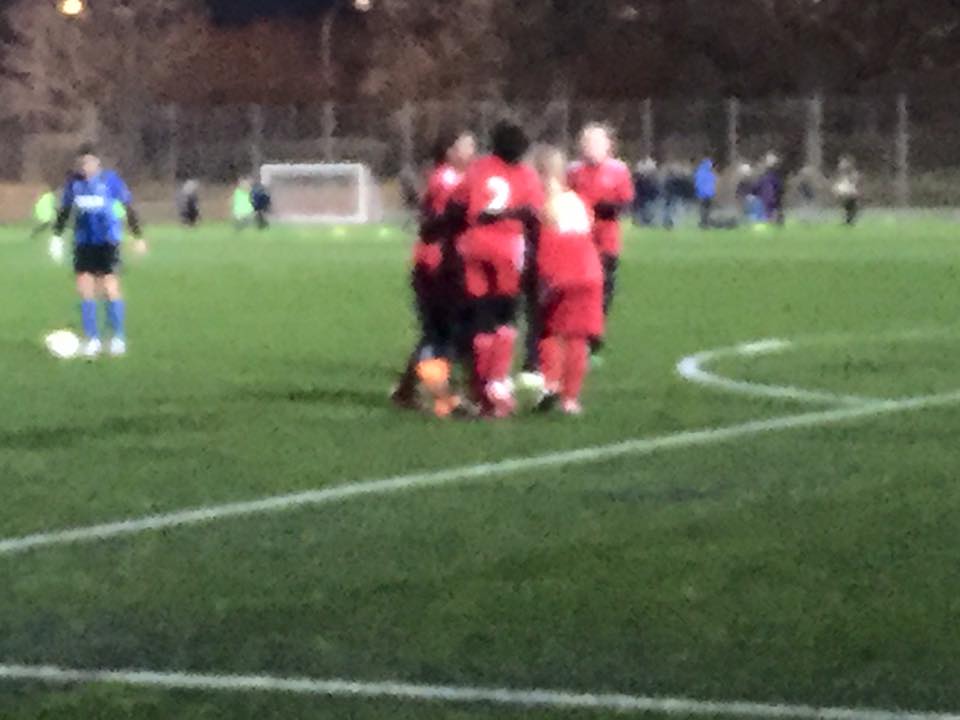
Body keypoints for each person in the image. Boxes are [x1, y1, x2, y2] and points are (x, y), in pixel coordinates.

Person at [452, 120, 544, 418]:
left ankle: (480, 390)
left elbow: (459, 203)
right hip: (507, 247)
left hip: (474, 246)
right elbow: (534, 213)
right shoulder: (526, 175)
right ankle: (497, 382)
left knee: (481, 316)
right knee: (505, 316)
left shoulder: (478, 168)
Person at [391, 129, 476, 415]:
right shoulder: (446, 180)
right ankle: (445, 398)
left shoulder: (457, 178)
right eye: (466, 145)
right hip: (436, 267)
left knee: (439, 333)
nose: (472, 151)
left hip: (445, 264)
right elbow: (436, 222)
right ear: (449, 151)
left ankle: (406, 391)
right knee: (442, 335)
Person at [50, 145, 146, 358]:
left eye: (90, 162)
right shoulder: (73, 184)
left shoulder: (110, 181)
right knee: (85, 288)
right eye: (82, 163)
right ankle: (92, 339)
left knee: (109, 287)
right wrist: (56, 237)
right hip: (83, 243)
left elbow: (128, 207)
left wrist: (138, 236)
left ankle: (117, 338)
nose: (86, 167)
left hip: (107, 241)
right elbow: (65, 211)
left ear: (98, 163)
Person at [533, 146, 604, 415]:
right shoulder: (578, 201)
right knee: (577, 338)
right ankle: (570, 400)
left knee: (549, 330)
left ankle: (550, 383)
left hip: (559, 272)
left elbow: (543, 241)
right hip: (589, 271)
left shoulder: (542, 203)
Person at [567, 123, 634, 360]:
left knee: (605, 290)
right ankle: (580, 334)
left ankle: (592, 335)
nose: (591, 147)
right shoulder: (573, 171)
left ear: (608, 145)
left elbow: (625, 202)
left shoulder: (618, 170)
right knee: (580, 289)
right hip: (579, 242)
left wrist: (603, 208)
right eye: (586, 142)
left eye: (596, 142)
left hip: (607, 242)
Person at [756, 152, 785, 225]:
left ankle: (772, 220)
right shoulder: (767, 176)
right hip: (769, 202)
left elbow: (779, 188)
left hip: (771, 202)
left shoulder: (770, 176)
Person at [631, 158, 660, 227]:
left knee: (646, 209)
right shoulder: (641, 178)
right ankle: (642, 221)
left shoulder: (645, 178)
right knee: (643, 209)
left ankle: (644, 221)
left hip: (644, 196)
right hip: (643, 196)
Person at [834, 156, 861, 226]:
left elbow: (853, 182)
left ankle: (849, 221)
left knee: (851, 207)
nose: (841, 165)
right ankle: (848, 221)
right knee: (847, 207)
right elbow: (840, 183)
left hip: (850, 193)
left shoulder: (852, 173)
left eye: (844, 163)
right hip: (846, 193)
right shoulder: (843, 174)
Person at [694, 158, 717, 229]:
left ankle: (704, 222)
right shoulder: (708, 173)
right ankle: (704, 223)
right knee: (705, 209)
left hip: (704, 194)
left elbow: (697, 184)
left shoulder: (700, 172)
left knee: (705, 209)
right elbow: (700, 184)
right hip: (705, 194)